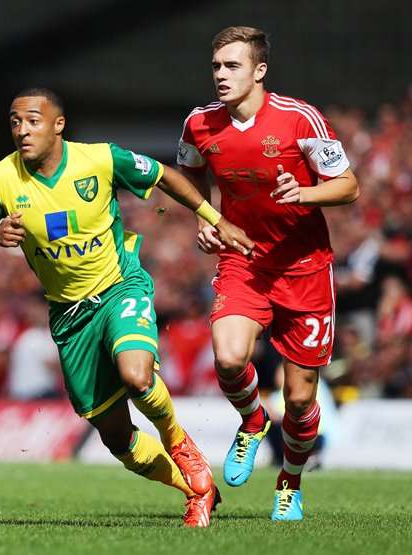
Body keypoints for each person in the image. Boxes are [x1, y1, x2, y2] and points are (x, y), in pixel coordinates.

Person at [0, 87, 254, 527]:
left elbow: (166, 177)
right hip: (69, 318)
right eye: (15, 122)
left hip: (119, 286)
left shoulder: (99, 159)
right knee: (118, 440)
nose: (22, 130)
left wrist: (216, 218)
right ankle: (196, 489)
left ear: (59, 124)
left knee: (137, 375)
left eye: (33, 120)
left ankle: (179, 442)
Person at [176, 27, 359, 520]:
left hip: (305, 269)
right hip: (244, 259)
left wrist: (305, 193)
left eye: (232, 66)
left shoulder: (300, 119)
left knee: (300, 402)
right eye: (216, 66)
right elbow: (188, 170)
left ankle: (289, 483)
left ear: (259, 71)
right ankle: (253, 420)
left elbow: (348, 186)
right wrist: (205, 216)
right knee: (231, 358)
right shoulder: (199, 124)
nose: (220, 75)